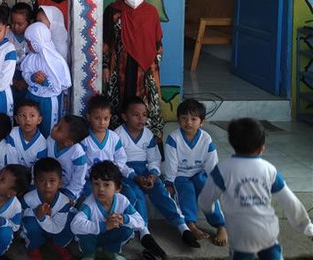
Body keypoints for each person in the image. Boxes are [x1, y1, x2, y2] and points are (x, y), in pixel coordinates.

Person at [199, 118, 313, 259]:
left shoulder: (223, 169)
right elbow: (290, 202)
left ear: (231, 142)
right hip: (267, 232)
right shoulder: (269, 170)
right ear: (262, 147)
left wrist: (211, 213)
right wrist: (307, 228)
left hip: (240, 234)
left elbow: (204, 201)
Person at [115, 96, 197, 248]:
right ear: (125, 117)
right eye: (136, 115)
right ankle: (144, 230)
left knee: (160, 190)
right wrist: (134, 177)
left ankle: (182, 227)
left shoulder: (148, 134)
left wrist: (153, 175)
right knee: (135, 194)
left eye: (144, 115)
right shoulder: (118, 135)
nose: (141, 119)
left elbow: (154, 159)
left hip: (145, 170)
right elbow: (118, 163)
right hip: (127, 173)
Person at [102, 0, 164, 138]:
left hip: (145, 69)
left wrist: (154, 67)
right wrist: (105, 66)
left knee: (144, 105)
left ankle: (147, 142)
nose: (135, 0)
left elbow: (158, 42)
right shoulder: (113, 11)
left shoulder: (151, 12)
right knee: (121, 101)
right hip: (120, 67)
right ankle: (118, 141)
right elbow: (106, 41)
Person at [163, 98, 227, 246]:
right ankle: (190, 224)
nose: (188, 122)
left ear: (202, 122)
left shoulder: (206, 139)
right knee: (186, 190)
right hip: (180, 175)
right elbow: (171, 163)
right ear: (178, 120)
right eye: (184, 118)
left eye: (193, 119)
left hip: (199, 173)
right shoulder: (174, 138)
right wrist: (169, 182)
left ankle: (220, 225)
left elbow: (212, 162)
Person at [71, 161, 145, 260]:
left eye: (106, 185)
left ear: (117, 188)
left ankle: (109, 251)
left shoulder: (122, 201)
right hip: (92, 238)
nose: (101, 189)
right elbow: (75, 225)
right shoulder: (89, 204)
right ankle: (89, 254)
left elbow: (140, 222)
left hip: (109, 237)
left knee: (127, 229)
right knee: (83, 230)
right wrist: (104, 226)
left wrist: (123, 219)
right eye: (96, 184)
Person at [21, 22, 71, 136]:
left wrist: (45, 82)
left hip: (48, 101)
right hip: (32, 96)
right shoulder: (31, 58)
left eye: (29, 42)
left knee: (48, 129)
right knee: (30, 127)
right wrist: (32, 78)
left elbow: (61, 85)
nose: (28, 45)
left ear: (37, 41)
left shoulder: (56, 61)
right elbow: (25, 72)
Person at [21, 158, 75, 260]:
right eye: (42, 180)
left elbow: (57, 227)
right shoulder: (28, 198)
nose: (47, 186)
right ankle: (33, 246)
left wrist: (42, 218)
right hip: (38, 228)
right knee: (30, 223)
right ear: (35, 182)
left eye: (52, 181)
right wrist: (36, 213)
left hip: (56, 228)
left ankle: (59, 244)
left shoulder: (64, 202)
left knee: (71, 219)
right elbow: (20, 218)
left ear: (59, 183)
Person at [81, 95, 134, 185]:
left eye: (106, 118)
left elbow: (121, 158)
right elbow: (82, 164)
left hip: (111, 179)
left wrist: (113, 172)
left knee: (128, 191)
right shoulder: (84, 139)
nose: (102, 122)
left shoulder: (114, 138)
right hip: (92, 180)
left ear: (110, 117)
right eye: (97, 118)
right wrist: (90, 174)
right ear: (88, 117)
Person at [47, 114, 87, 201]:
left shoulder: (78, 153)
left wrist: (70, 194)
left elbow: (78, 180)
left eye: (59, 129)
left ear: (68, 142)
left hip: (68, 188)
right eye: (57, 124)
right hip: (50, 185)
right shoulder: (50, 140)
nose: (54, 127)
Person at [5, 100, 47, 169]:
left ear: (39, 120)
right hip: (12, 171)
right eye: (22, 115)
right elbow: (11, 163)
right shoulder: (12, 135)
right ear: (16, 119)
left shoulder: (42, 145)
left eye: (32, 116)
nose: (27, 119)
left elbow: (37, 170)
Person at [8, 2, 33, 110]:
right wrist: (12, 80)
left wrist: (27, 81)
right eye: (13, 23)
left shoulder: (33, 38)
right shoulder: (6, 35)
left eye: (20, 24)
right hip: (9, 74)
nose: (15, 27)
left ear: (29, 23)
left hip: (28, 76)